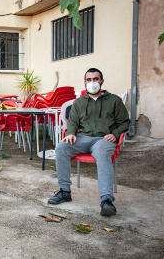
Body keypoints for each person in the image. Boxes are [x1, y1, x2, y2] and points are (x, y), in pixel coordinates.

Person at [48, 68, 130, 216]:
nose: (92, 82)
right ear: (85, 82)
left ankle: (106, 200)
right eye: (89, 80)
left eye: (96, 79)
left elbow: (125, 122)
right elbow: (72, 121)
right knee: (61, 148)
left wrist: (115, 134)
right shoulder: (79, 102)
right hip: (82, 138)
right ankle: (65, 191)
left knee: (103, 153)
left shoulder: (114, 101)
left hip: (103, 139)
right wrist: (71, 133)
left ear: (102, 81)